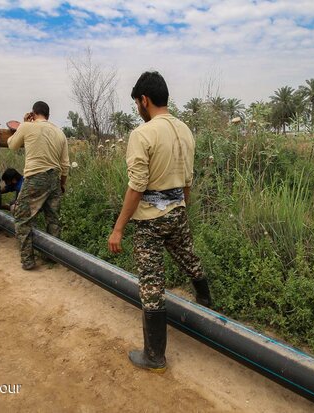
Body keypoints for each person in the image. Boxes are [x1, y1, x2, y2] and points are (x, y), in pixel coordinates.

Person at [108, 71, 212, 373]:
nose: (138, 110)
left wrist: (118, 228)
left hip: (150, 221)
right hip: (178, 210)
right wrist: (181, 207)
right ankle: (206, 303)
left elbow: (137, 185)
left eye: (137, 104)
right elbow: (188, 179)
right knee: (188, 257)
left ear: (144, 100)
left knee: (151, 283)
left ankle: (155, 356)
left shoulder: (143, 134)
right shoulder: (185, 130)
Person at [7, 101, 69, 270]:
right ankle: (51, 257)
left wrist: (25, 123)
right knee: (53, 219)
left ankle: (28, 261)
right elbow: (65, 165)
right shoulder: (59, 132)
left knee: (21, 217)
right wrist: (62, 184)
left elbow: (12, 145)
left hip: (36, 178)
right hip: (55, 179)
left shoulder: (27, 127)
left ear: (33, 114)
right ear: (48, 115)